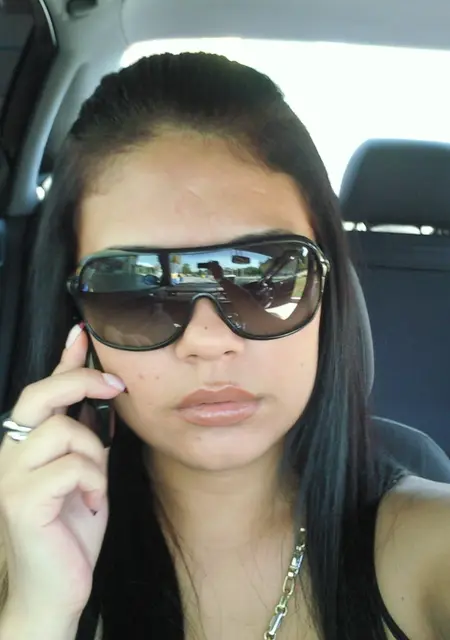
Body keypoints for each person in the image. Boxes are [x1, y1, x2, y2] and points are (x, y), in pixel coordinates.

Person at [0, 52, 448, 640]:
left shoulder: (434, 547)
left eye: (264, 279)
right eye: (135, 289)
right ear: (77, 316)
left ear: (329, 294)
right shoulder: (19, 544)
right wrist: (37, 613)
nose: (208, 342)